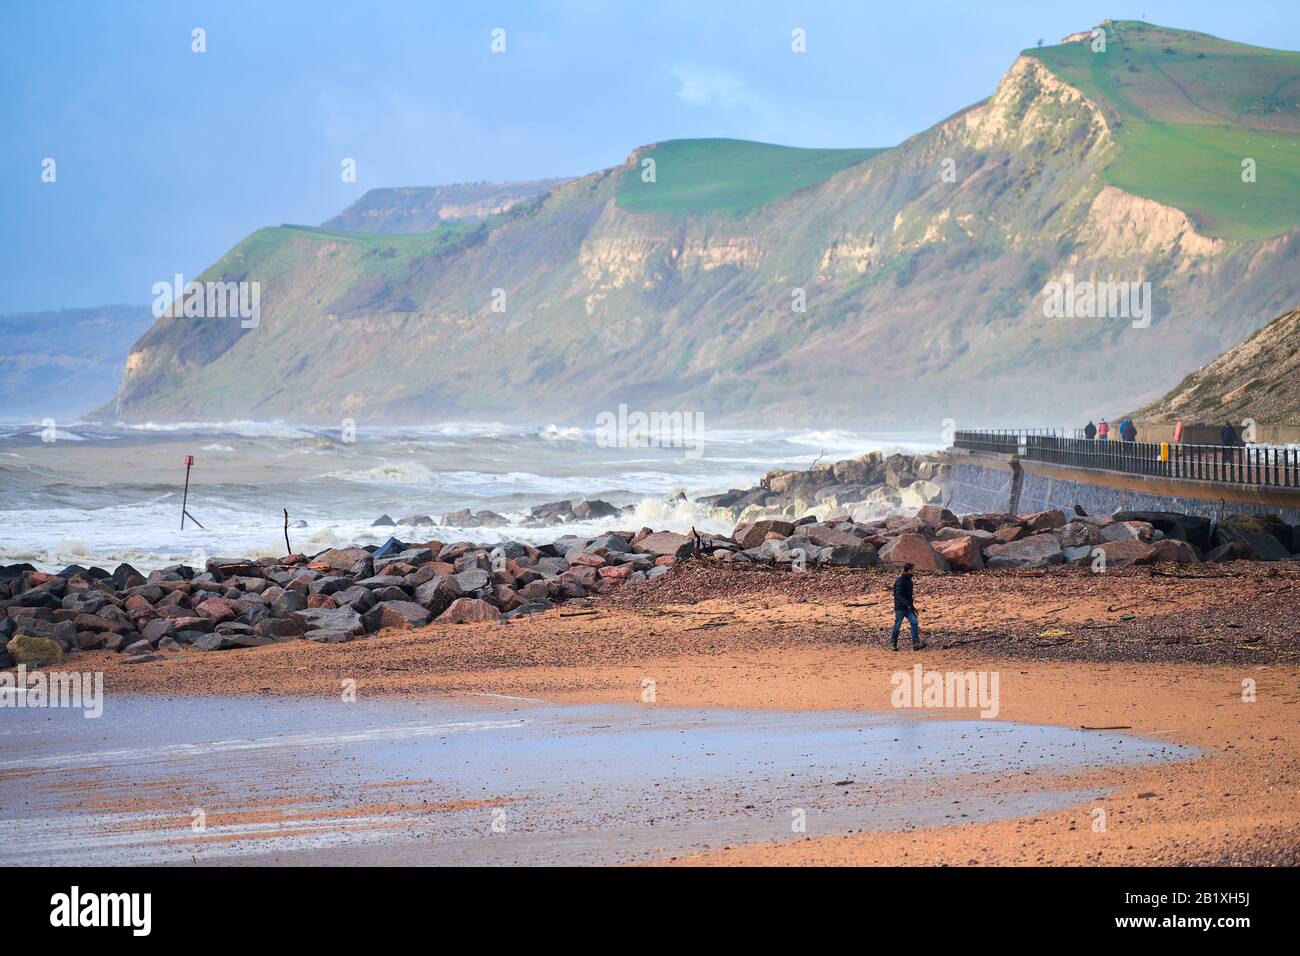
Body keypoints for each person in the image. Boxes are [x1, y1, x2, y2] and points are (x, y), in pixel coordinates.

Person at [889, 563, 926, 651]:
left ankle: (915, 643)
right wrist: (908, 604)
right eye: (912, 570)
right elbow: (898, 595)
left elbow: (909, 596)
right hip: (900, 608)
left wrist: (912, 606)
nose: (913, 571)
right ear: (909, 570)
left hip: (907, 607)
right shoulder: (900, 581)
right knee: (897, 625)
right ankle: (893, 643)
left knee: (914, 622)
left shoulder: (909, 581)